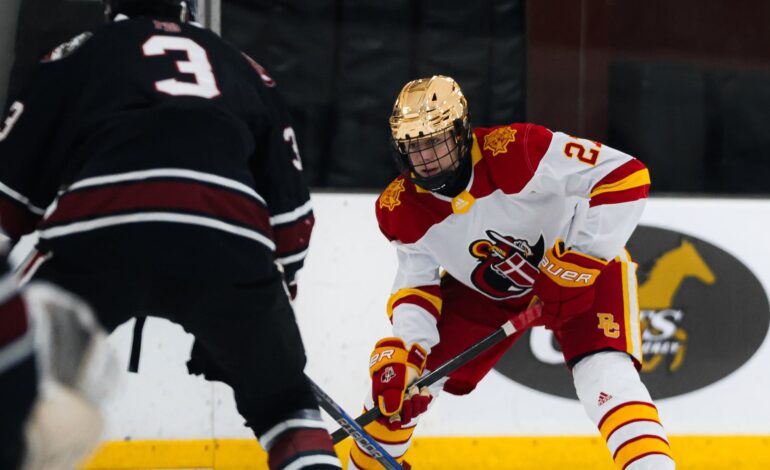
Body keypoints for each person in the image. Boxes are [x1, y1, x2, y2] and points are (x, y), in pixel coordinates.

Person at [0, 1, 341, 469]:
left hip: (101, 228)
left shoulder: (77, 54)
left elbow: (10, 191)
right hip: (230, 240)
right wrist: (259, 321)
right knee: (285, 405)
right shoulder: (246, 69)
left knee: (14, 379)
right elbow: (293, 219)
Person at [349, 75, 675, 470]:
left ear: (460, 131)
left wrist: (578, 262)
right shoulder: (399, 207)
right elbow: (417, 284)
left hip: (574, 261)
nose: (426, 158)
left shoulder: (517, 149)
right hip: (483, 291)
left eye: (434, 142)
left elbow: (625, 175)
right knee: (396, 389)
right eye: (414, 148)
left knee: (606, 375)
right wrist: (409, 351)